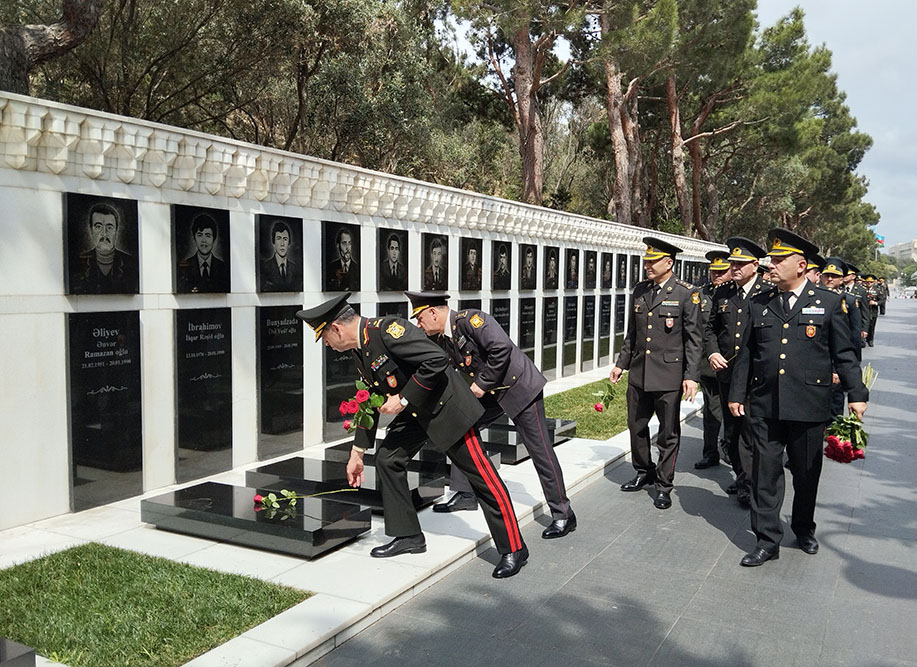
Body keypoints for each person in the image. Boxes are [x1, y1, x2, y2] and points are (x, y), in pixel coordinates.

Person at [297, 293, 529, 578]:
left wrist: (403, 400)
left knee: (482, 478)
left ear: (336, 328)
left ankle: (514, 548)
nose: (330, 347)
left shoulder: (388, 329)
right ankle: (408, 536)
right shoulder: (361, 349)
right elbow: (369, 398)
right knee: (387, 458)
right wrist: (357, 452)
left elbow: (436, 359)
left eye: (326, 339)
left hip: (447, 410)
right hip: (418, 413)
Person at [728, 229, 868, 567]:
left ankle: (804, 527)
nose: (770, 267)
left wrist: (856, 394)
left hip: (809, 404)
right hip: (765, 403)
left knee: (806, 473)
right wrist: (736, 392)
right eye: (770, 261)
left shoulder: (830, 302)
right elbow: (746, 352)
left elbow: (845, 353)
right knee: (765, 474)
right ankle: (766, 539)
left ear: (801, 266)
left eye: (778, 261)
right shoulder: (758, 303)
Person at [406, 291, 576, 539]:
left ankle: (563, 514)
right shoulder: (443, 338)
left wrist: (483, 383)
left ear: (433, 312)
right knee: (461, 429)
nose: (418, 324)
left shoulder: (470, 320)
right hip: (492, 394)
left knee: (540, 451)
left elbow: (502, 348)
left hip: (520, 388)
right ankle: (465, 493)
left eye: (420, 318)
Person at [609, 236, 702, 510]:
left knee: (667, 433)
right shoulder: (640, 291)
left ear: (669, 262)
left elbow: (694, 340)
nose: (647, 265)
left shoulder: (686, 294)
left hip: (669, 375)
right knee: (636, 426)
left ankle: (663, 484)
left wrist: (691, 376)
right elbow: (632, 334)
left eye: (652, 261)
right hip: (639, 372)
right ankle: (643, 471)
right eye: (646, 260)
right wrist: (621, 364)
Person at [704, 237, 770, 506]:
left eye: (741, 264)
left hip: (756, 374)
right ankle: (742, 475)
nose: (735, 268)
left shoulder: (768, 292)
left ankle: (749, 482)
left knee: (751, 430)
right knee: (731, 430)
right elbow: (709, 328)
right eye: (733, 263)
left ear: (755, 265)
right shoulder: (723, 293)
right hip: (728, 372)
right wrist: (712, 352)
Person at [694, 250, 731, 472]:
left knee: (734, 412)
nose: (716, 275)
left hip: (731, 363)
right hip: (708, 366)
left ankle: (731, 449)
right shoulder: (701, 294)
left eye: (722, 271)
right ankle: (710, 452)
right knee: (711, 411)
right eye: (713, 271)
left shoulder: (734, 295)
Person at [820, 257, 863, 417]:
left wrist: (849, 368)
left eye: (834, 276)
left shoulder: (849, 301)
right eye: (827, 275)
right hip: (816, 360)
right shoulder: (813, 299)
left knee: (835, 407)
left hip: (837, 361)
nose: (830, 279)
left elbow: (854, 336)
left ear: (842, 278)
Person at [71, 201, 138, 294]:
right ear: (91, 230)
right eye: (98, 227)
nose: (104, 233)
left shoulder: (130, 262)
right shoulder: (78, 262)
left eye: (109, 227)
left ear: (116, 231)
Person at [177, 213, 227, 293]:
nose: (204, 240)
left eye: (208, 235)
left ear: (214, 238)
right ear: (194, 237)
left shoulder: (223, 268)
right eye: (200, 235)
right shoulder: (183, 267)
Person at [261, 220, 301, 292]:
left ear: (289, 244)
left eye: (285, 239)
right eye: (278, 238)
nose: (282, 244)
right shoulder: (265, 267)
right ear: (273, 243)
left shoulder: (295, 268)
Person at [327, 227, 359, 291]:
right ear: (338, 246)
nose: (347, 248)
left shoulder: (357, 268)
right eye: (344, 243)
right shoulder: (331, 267)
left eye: (349, 243)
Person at [862, 274, 880, 346]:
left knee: (872, 326)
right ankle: (862, 339)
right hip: (863, 310)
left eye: (871, 282)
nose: (869, 284)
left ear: (874, 282)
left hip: (873, 311)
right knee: (863, 324)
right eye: (867, 282)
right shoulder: (862, 290)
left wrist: (875, 303)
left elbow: (882, 300)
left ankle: (870, 339)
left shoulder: (877, 290)